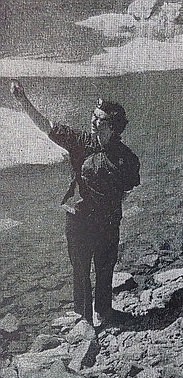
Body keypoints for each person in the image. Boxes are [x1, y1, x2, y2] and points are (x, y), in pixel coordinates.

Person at [10, 80, 140, 326]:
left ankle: (104, 313)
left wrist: (111, 210)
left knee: (105, 269)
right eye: (93, 116)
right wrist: (23, 100)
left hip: (107, 223)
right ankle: (83, 320)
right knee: (80, 272)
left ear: (113, 127)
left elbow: (127, 189)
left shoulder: (127, 158)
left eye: (100, 119)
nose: (93, 121)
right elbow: (46, 126)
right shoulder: (80, 141)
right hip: (78, 220)